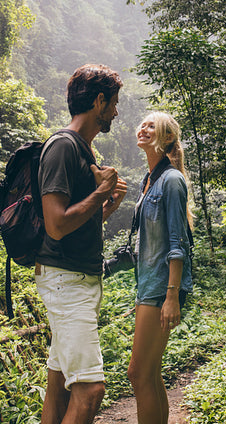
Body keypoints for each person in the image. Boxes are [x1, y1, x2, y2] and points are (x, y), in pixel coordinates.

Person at [35, 64, 127, 424]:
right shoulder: (62, 147)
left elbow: (75, 223)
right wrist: (102, 190)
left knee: (58, 386)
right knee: (90, 390)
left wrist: (106, 206)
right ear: (99, 101)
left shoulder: (84, 150)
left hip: (76, 280)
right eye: (114, 103)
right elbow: (56, 225)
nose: (117, 112)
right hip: (66, 282)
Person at [127, 112, 193, 424]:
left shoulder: (172, 180)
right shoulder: (149, 182)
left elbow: (178, 242)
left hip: (160, 289)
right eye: (143, 123)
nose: (143, 127)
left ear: (167, 138)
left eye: (152, 125)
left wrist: (172, 296)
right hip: (149, 286)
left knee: (138, 374)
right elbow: (142, 245)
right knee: (148, 373)